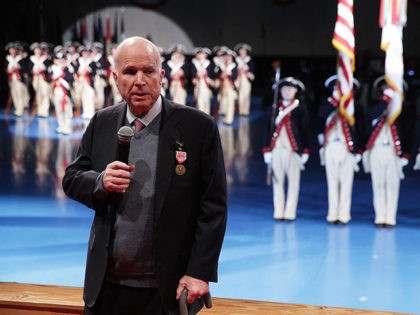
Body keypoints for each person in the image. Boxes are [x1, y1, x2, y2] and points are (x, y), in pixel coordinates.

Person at [62, 36, 227, 315]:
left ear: (161, 76)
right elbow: (72, 178)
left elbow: (213, 206)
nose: (140, 80)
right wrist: (100, 181)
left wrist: (199, 272)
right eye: (130, 71)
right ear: (116, 78)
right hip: (106, 287)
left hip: (167, 290)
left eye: (148, 71)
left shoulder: (198, 128)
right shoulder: (101, 122)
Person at [362, 76, 410, 228]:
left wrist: (407, 154)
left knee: (392, 186)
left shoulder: (402, 110)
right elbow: (370, 116)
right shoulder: (375, 106)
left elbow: (410, 132)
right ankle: (380, 216)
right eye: (385, 89)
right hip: (376, 150)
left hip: (393, 152)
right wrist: (385, 100)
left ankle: (390, 217)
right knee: (378, 185)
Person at [262, 77, 312, 221]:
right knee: (277, 182)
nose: (287, 92)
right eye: (284, 89)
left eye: (290, 89)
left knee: (293, 183)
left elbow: (305, 131)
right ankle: (278, 211)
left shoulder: (300, 109)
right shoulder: (274, 109)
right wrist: (266, 150)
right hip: (277, 150)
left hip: (293, 151)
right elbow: (267, 130)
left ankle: (290, 212)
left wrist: (306, 150)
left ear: (295, 91)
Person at [317, 75, 364, 225]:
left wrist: (359, 150)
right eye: (337, 88)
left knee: (346, 183)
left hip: (347, 147)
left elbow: (361, 129)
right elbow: (320, 115)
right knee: (332, 182)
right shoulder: (328, 104)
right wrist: (334, 100)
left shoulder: (355, 107)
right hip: (331, 146)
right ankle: (332, 214)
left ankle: (343, 215)